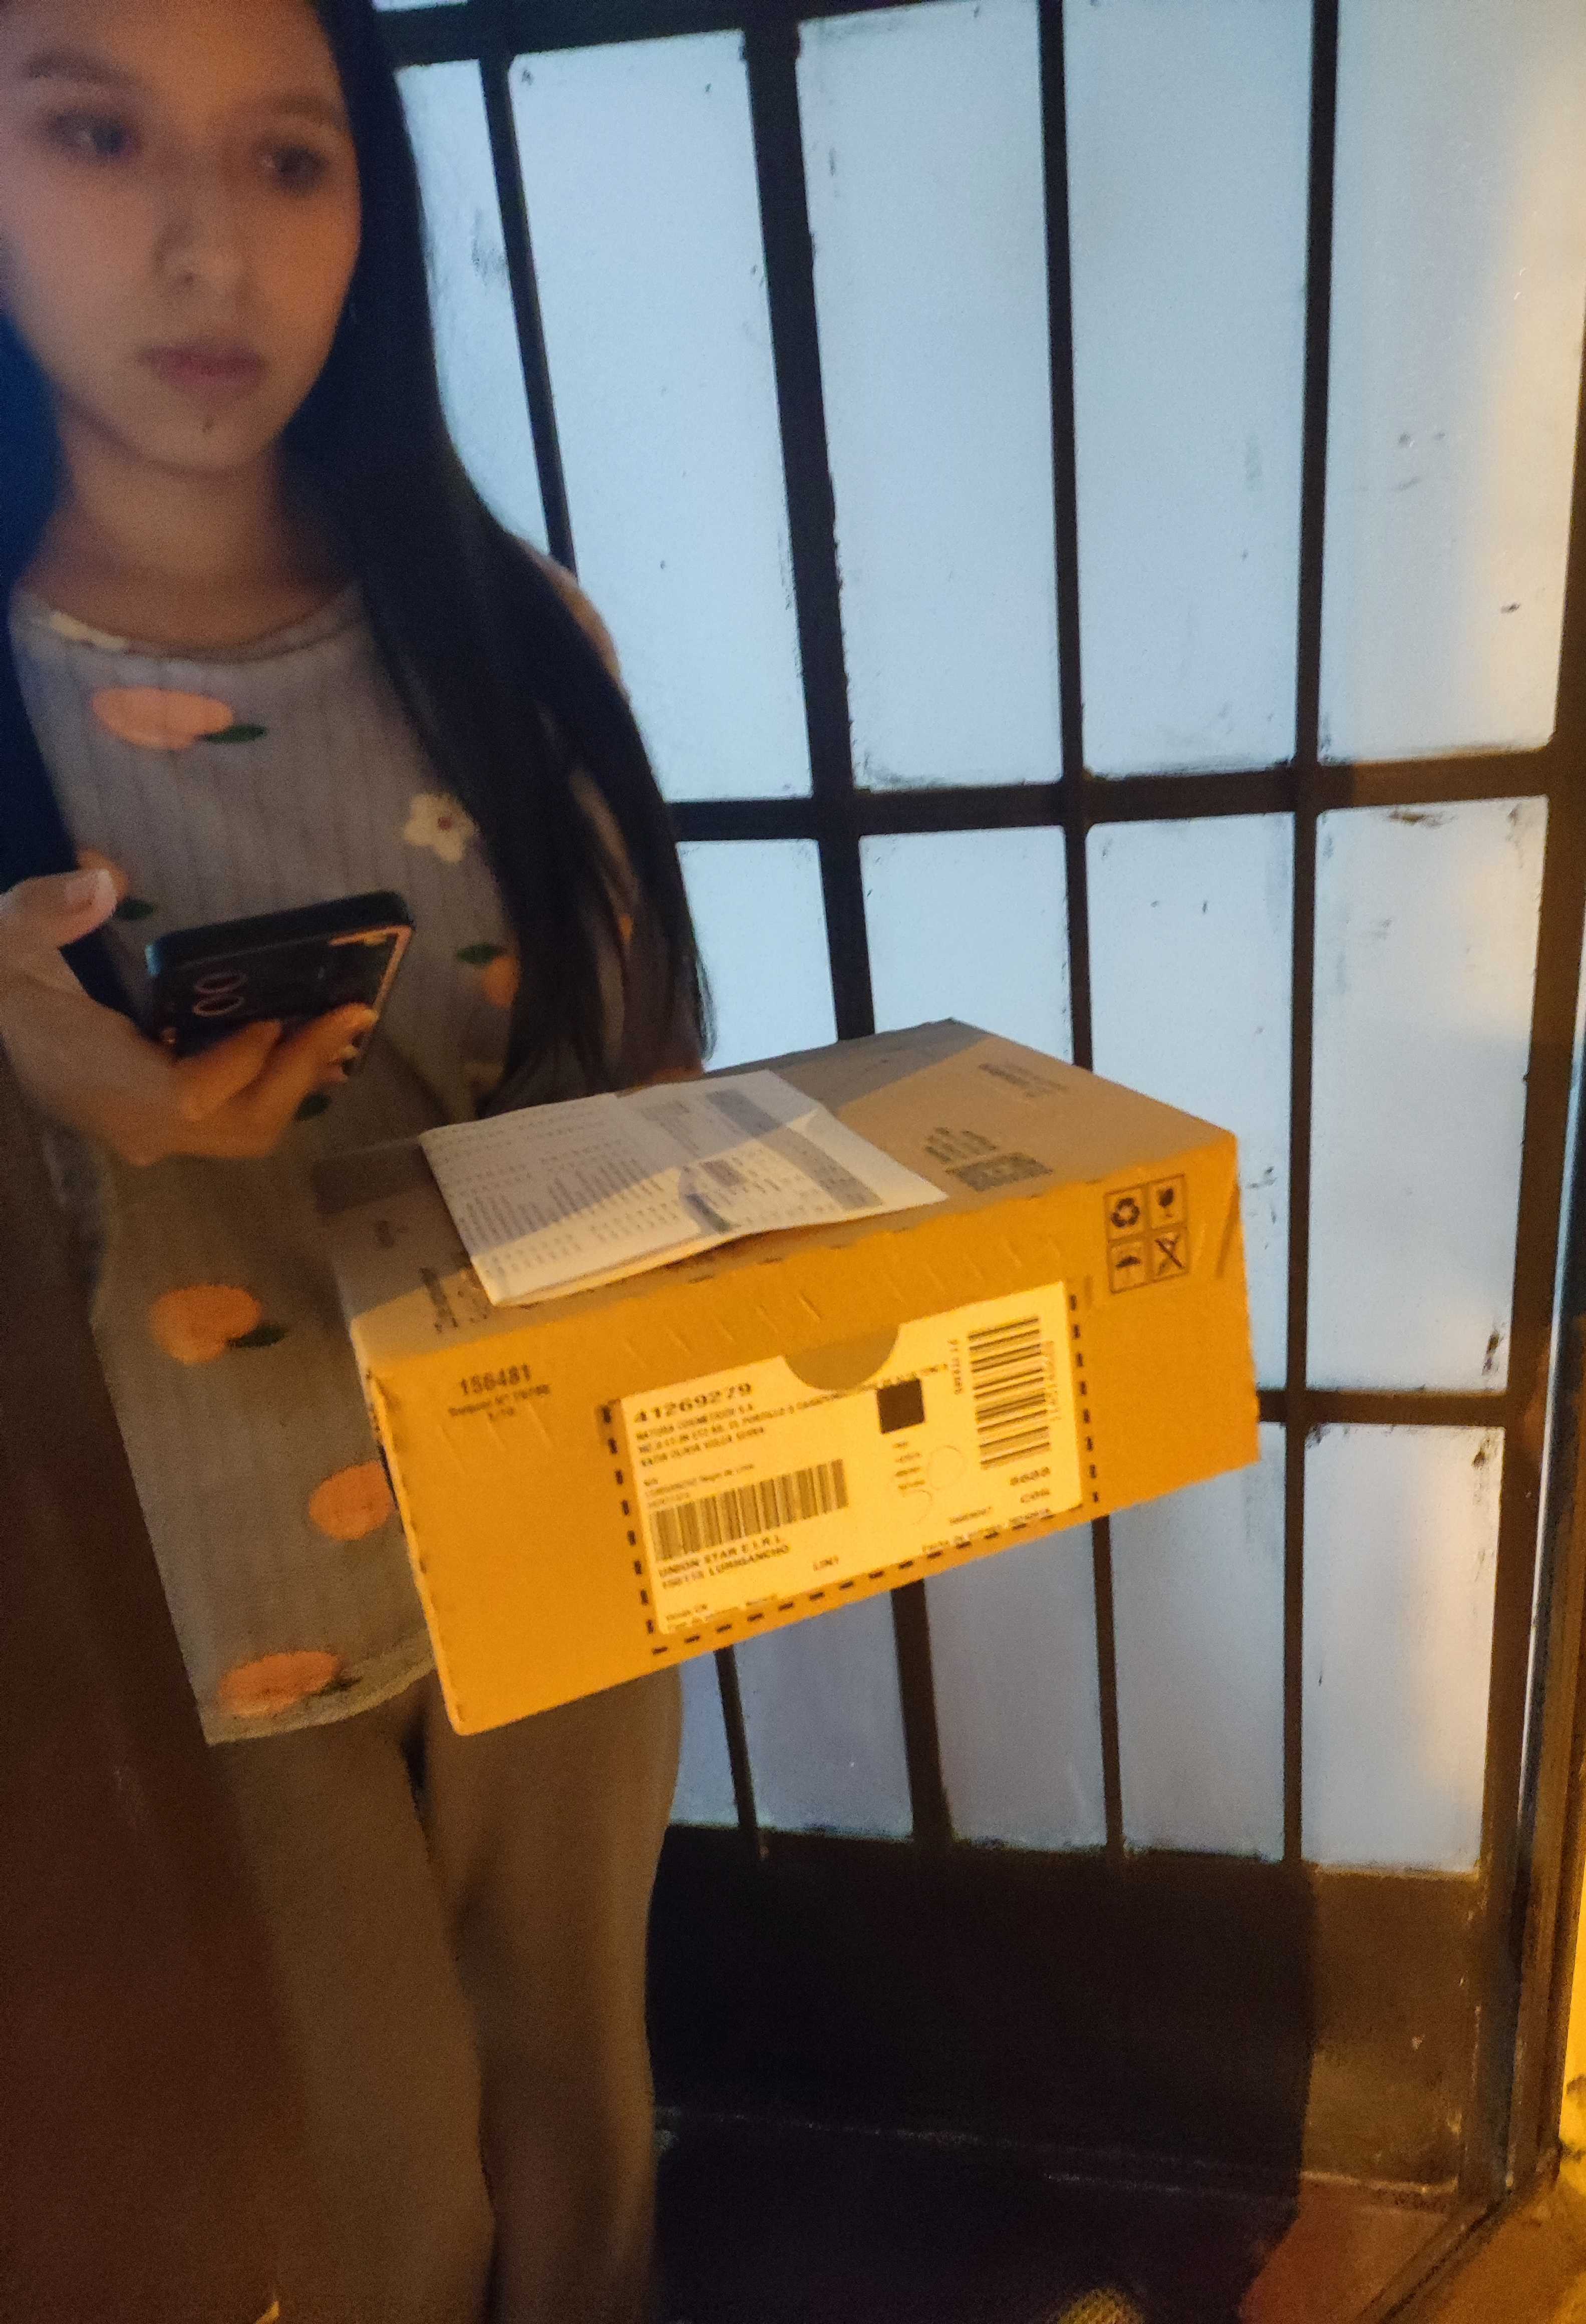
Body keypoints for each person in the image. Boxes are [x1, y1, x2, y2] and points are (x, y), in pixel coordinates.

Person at [0, 1, 706, 2316]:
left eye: (288, 159)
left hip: (552, 1545)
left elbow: (642, 1070)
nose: (208, 244)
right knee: (368, 2208)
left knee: (581, 2136)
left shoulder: (516, 636)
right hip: (196, 1630)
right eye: (96, 134)